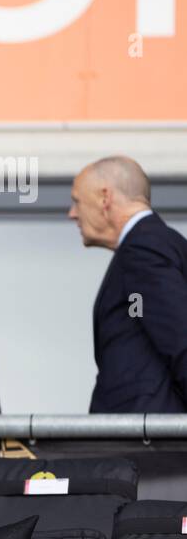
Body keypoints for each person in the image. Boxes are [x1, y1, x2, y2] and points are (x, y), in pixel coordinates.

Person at [71, 156, 187, 412]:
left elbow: (180, 339)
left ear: (105, 198)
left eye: (77, 201)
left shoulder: (144, 247)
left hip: (145, 443)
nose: (72, 214)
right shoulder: (157, 243)